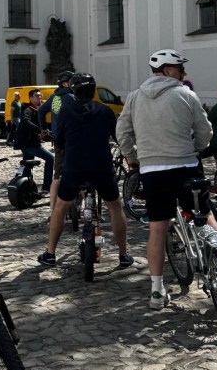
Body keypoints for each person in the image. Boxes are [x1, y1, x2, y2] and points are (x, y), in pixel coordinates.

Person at [116, 49, 215, 310]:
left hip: (153, 171)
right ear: (169, 71)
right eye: (181, 69)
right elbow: (205, 130)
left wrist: (132, 158)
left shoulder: (135, 97)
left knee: (157, 229)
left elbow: (122, 131)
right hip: (185, 165)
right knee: (205, 213)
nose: (184, 74)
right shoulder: (186, 94)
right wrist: (198, 148)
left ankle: (157, 291)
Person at [37, 73, 132, 269]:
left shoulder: (59, 105)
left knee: (60, 207)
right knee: (115, 206)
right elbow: (118, 136)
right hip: (101, 166)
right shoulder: (105, 111)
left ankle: (50, 252)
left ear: (71, 87)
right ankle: (123, 254)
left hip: (74, 166)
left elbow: (58, 137)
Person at [38, 71, 74, 214]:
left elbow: (41, 111)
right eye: (72, 81)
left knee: (57, 176)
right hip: (72, 141)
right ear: (66, 83)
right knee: (80, 172)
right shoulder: (72, 97)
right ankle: (84, 209)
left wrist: (44, 129)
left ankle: (53, 210)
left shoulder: (54, 97)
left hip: (58, 140)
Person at [14, 89, 54, 193]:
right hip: (29, 143)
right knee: (50, 158)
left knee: (27, 165)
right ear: (31, 98)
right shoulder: (27, 109)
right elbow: (26, 121)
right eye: (37, 96)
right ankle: (46, 187)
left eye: (40, 96)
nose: (39, 97)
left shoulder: (38, 109)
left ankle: (24, 188)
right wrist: (39, 130)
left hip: (27, 143)